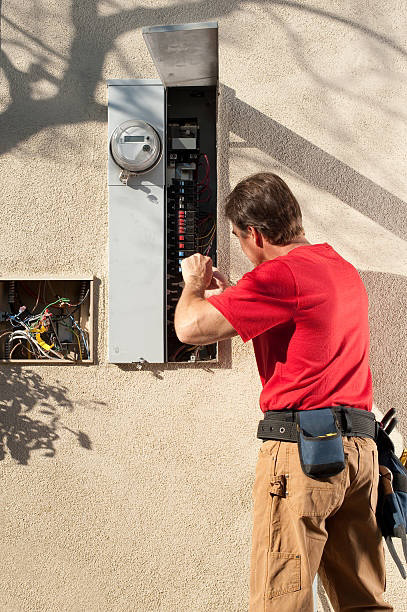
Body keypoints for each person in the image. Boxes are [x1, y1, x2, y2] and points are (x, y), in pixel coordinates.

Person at [174, 172, 393, 611]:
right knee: (364, 602)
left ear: (254, 234)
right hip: (360, 455)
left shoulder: (280, 277)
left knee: (280, 600)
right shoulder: (340, 268)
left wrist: (194, 282)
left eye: (238, 237)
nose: (241, 246)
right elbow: (304, 328)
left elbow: (189, 327)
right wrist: (236, 296)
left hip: (303, 454)